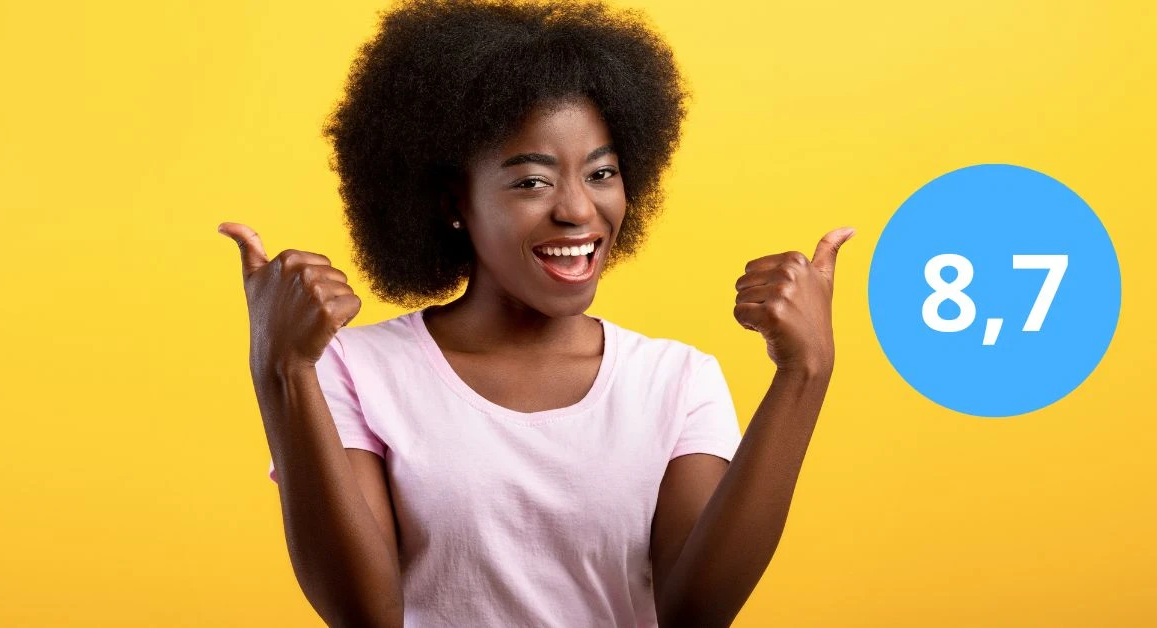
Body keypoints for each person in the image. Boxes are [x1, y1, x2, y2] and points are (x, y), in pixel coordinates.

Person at [219, 0, 854, 625]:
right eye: (532, 182)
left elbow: (694, 612)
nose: (578, 210)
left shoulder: (677, 380)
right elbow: (364, 613)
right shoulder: (356, 369)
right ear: (452, 202)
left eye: (602, 173)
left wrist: (805, 372)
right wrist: (281, 369)